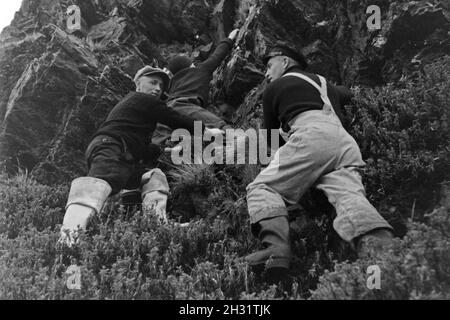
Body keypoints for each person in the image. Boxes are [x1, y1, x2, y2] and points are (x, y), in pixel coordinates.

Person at [245, 42, 394, 282]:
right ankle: (382, 250)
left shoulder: (275, 88)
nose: (266, 73)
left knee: (261, 188)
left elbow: (270, 139)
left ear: (284, 62)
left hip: (311, 136)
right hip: (344, 143)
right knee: (349, 197)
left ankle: (276, 251)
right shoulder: (325, 84)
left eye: (269, 66)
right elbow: (349, 94)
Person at [59, 66, 221, 246]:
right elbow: (173, 117)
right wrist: (205, 130)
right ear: (138, 84)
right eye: (153, 82)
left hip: (121, 149)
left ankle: (158, 225)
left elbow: (141, 146)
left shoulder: (136, 109)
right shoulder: (141, 99)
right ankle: (68, 239)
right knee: (99, 183)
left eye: (161, 86)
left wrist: (164, 151)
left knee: (153, 176)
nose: (158, 88)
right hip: (113, 146)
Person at [152, 29, 240, 145]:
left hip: (168, 111)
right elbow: (217, 56)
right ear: (189, 66)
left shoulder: (172, 85)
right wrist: (230, 38)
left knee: (169, 139)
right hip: (185, 106)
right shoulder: (199, 70)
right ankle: (245, 143)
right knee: (220, 126)